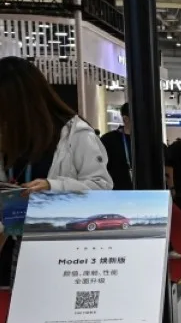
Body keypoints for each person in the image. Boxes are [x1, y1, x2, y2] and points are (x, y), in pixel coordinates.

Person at [0, 56, 113, 285]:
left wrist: (53, 187)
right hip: (22, 248)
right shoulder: (9, 137)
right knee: (23, 317)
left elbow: (102, 188)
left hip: (67, 251)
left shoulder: (76, 134)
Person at [99, 103, 135, 190]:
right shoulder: (108, 140)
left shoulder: (148, 140)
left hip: (146, 194)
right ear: (125, 119)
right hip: (118, 193)